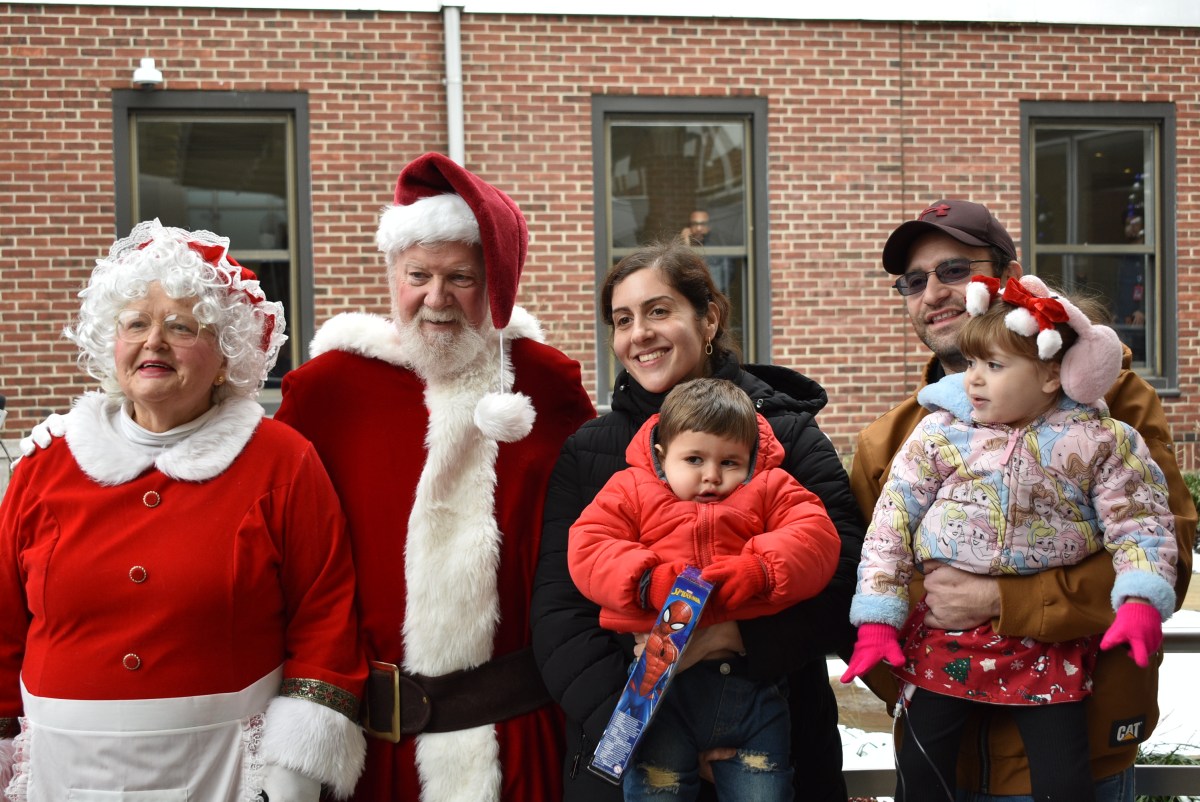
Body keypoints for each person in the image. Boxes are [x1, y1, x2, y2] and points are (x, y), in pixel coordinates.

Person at [0, 220, 366, 800]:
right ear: (111, 343)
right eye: (136, 324)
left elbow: (324, 621)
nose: (154, 342)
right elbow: (2, 625)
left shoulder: (282, 462)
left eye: (181, 326)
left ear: (225, 355)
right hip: (58, 769)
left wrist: (293, 773)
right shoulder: (46, 465)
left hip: (221, 771)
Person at [848, 199, 1197, 801]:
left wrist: (1002, 599)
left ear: (1007, 280)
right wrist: (902, 657)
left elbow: (1162, 551)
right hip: (943, 753)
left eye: (955, 270)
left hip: (1072, 749)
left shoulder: (1111, 410)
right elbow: (876, 566)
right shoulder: (896, 437)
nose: (933, 293)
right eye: (914, 281)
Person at [273, 153, 596, 801]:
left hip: (518, 743)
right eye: (417, 274)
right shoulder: (325, 390)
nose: (436, 298)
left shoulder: (545, 383)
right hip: (369, 753)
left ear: (497, 285)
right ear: (393, 274)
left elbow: (602, 536)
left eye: (462, 278)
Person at [531, 240, 866, 802]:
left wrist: (735, 639)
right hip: (635, 744)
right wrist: (653, 728)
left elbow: (848, 572)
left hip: (771, 735)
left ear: (708, 317)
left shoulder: (784, 436)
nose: (639, 333)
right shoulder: (591, 451)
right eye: (622, 319)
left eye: (658, 310)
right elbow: (559, 615)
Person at [569, 377, 842, 800]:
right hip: (659, 693)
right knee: (657, 791)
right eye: (694, 459)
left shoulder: (770, 488)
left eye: (730, 462)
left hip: (752, 686)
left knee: (765, 792)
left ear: (750, 458)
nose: (712, 477)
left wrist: (759, 571)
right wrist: (647, 582)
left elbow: (816, 539)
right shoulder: (631, 490)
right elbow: (589, 546)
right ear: (662, 455)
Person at [680, 210, 734, 295]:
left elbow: (717, 283)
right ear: (689, 227)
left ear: (709, 226)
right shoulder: (683, 248)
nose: (698, 229)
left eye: (703, 224)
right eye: (695, 224)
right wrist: (685, 244)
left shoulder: (716, 250)